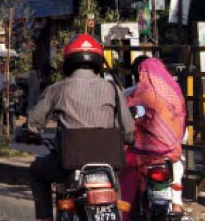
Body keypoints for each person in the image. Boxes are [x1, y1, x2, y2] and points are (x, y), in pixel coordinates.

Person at [27, 35, 134, 221]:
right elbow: (129, 130)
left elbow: (34, 123)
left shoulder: (57, 89)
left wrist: (29, 132)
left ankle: (44, 218)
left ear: (68, 62)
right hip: (109, 165)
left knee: (36, 170)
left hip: (68, 164)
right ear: (97, 62)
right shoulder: (113, 89)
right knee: (115, 190)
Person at [120, 56, 186, 216]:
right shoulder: (174, 96)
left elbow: (123, 125)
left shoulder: (131, 95)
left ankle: (126, 210)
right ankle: (177, 205)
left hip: (141, 155)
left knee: (124, 165)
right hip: (170, 154)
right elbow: (183, 133)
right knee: (177, 164)